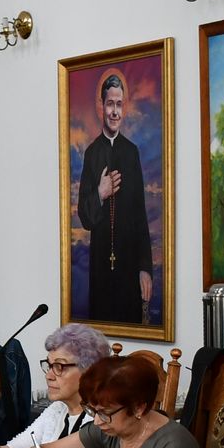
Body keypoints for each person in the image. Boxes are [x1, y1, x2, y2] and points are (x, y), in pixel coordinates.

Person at [31, 355, 210, 448]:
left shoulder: (172, 447)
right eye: (93, 410)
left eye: (104, 413)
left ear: (139, 407)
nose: (97, 421)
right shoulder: (111, 428)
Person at [0, 324, 109, 448]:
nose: (48, 375)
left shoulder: (103, 419)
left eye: (59, 366)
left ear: (89, 371)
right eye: (49, 365)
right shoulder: (57, 410)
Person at [75, 69, 153, 327]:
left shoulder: (131, 152)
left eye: (119, 104)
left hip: (129, 265)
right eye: (110, 104)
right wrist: (100, 193)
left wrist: (145, 268)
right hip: (101, 266)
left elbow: (140, 215)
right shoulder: (92, 154)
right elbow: (85, 217)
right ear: (102, 106)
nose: (115, 112)